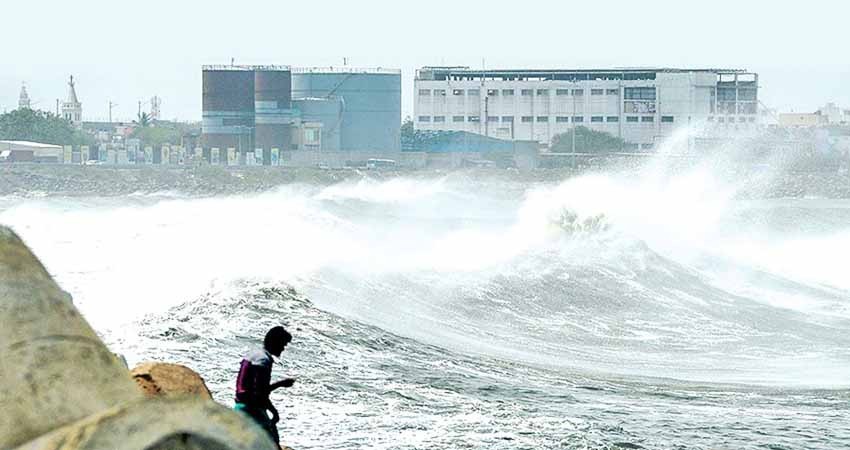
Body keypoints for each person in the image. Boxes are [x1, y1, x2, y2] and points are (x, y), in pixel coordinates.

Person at [234, 326, 296, 445]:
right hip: (251, 409)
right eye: (283, 344)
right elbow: (260, 393)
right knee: (271, 442)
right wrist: (274, 410)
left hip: (239, 406)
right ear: (275, 342)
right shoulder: (264, 360)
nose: (283, 349)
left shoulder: (253, 355)